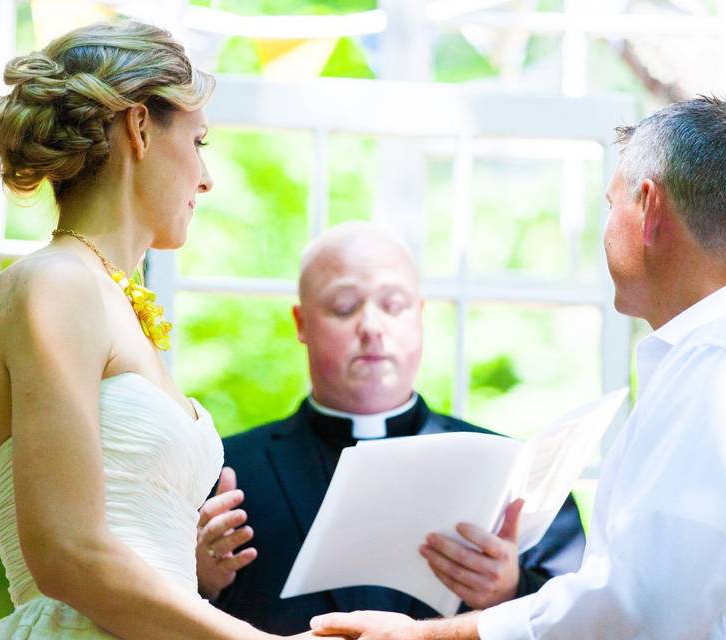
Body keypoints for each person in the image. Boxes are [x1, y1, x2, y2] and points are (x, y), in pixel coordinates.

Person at [308, 98, 726, 639]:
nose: (605, 228)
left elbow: (642, 610)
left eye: (610, 203)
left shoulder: (723, 371)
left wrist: (424, 638)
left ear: (650, 209)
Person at [0, 20, 295, 639]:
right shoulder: (55, 284)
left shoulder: (108, 298)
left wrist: (185, 569)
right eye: (199, 141)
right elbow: (66, 553)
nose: (206, 177)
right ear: (140, 128)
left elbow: (113, 532)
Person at [195, 222, 587, 634]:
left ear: (419, 317)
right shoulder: (223, 471)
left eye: (393, 305)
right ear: (301, 323)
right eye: (344, 307)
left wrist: (510, 591)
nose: (371, 327)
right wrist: (199, 581)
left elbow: (587, 618)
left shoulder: (515, 471)